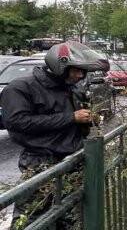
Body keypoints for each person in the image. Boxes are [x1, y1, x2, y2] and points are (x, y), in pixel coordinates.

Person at [0, 41, 108, 173]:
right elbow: (17, 122)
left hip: (75, 157)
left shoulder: (72, 88)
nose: (80, 76)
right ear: (59, 68)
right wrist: (71, 117)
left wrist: (90, 121)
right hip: (41, 162)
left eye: (83, 72)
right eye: (76, 70)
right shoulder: (21, 88)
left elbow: (78, 124)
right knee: (48, 194)